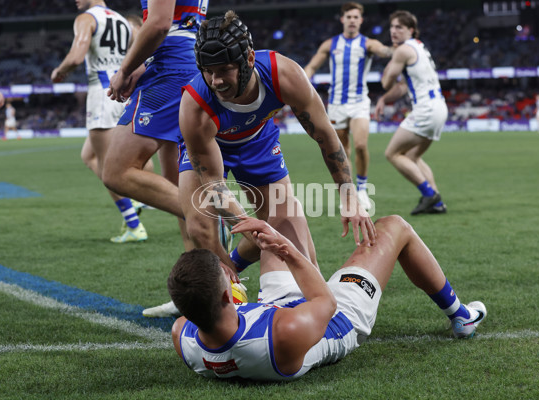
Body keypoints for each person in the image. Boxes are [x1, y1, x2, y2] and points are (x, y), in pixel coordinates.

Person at [141, 10, 377, 318]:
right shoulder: (194, 106)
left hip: (258, 142)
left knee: (285, 223)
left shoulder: (285, 74)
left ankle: (263, 276)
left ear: (249, 58)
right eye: (208, 71)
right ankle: (224, 294)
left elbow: (327, 138)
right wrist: (251, 229)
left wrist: (350, 197)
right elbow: (213, 184)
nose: (216, 81)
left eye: (224, 69)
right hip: (209, 150)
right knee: (200, 227)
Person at [168, 214, 487, 380]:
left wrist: (269, 234)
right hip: (337, 318)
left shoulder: (182, 333)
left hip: (272, 307)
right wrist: (284, 248)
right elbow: (324, 301)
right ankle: (461, 316)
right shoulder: (283, 335)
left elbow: (216, 318)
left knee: (282, 215)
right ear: (227, 294)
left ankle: (271, 233)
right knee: (394, 227)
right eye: (229, 277)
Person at [103, 0, 209, 250]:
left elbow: (160, 24)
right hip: (187, 60)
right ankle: (208, 282)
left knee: (117, 171)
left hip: (170, 69)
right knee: (178, 182)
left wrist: (125, 69)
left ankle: (211, 220)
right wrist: (143, 63)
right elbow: (183, 21)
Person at [51, 0, 148, 243]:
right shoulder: (122, 21)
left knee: (109, 171)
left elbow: (76, 57)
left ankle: (135, 220)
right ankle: (134, 209)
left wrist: (59, 71)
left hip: (101, 95)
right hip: (122, 94)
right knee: (89, 156)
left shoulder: (87, 19)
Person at [304, 2, 393, 211]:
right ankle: (351, 193)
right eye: (349, 17)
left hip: (359, 102)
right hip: (336, 104)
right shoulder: (330, 44)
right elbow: (311, 67)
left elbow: (382, 50)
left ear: (361, 20)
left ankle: (362, 187)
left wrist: (393, 50)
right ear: (342, 19)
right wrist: (304, 81)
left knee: (361, 145)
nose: (352, 20)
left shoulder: (367, 43)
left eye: (356, 17)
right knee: (342, 152)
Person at [375, 10, 448, 215]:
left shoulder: (403, 51)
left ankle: (429, 195)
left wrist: (391, 57)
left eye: (399, 27)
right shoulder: (419, 48)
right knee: (412, 156)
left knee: (392, 153)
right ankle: (437, 202)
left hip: (425, 110)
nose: (394, 31)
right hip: (439, 108)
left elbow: (386, 82)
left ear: (411, 30)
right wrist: (383, 100)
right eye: (392, 27)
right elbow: (402, 87)